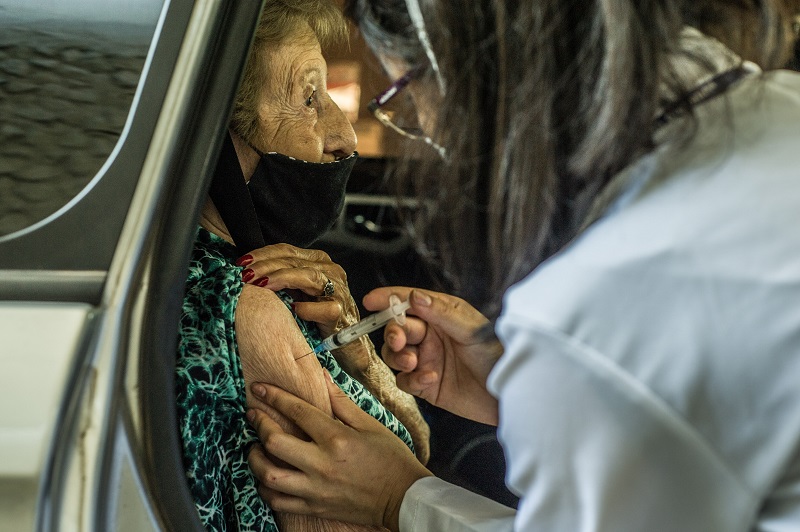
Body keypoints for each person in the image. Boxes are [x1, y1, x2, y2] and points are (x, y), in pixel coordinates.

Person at [244, 0, 800, 530]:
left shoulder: (592, 308)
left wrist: (401, 497)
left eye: (408, 95)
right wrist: (524, 386)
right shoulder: (781, 111)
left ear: (467, 72)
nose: (434, 139)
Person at [175, 1, 429, 530]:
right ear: (218, 137)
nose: (345, 137)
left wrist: (358, 351)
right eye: (309, 99)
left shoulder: (265, 277)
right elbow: (365, 501)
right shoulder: (245, 303)